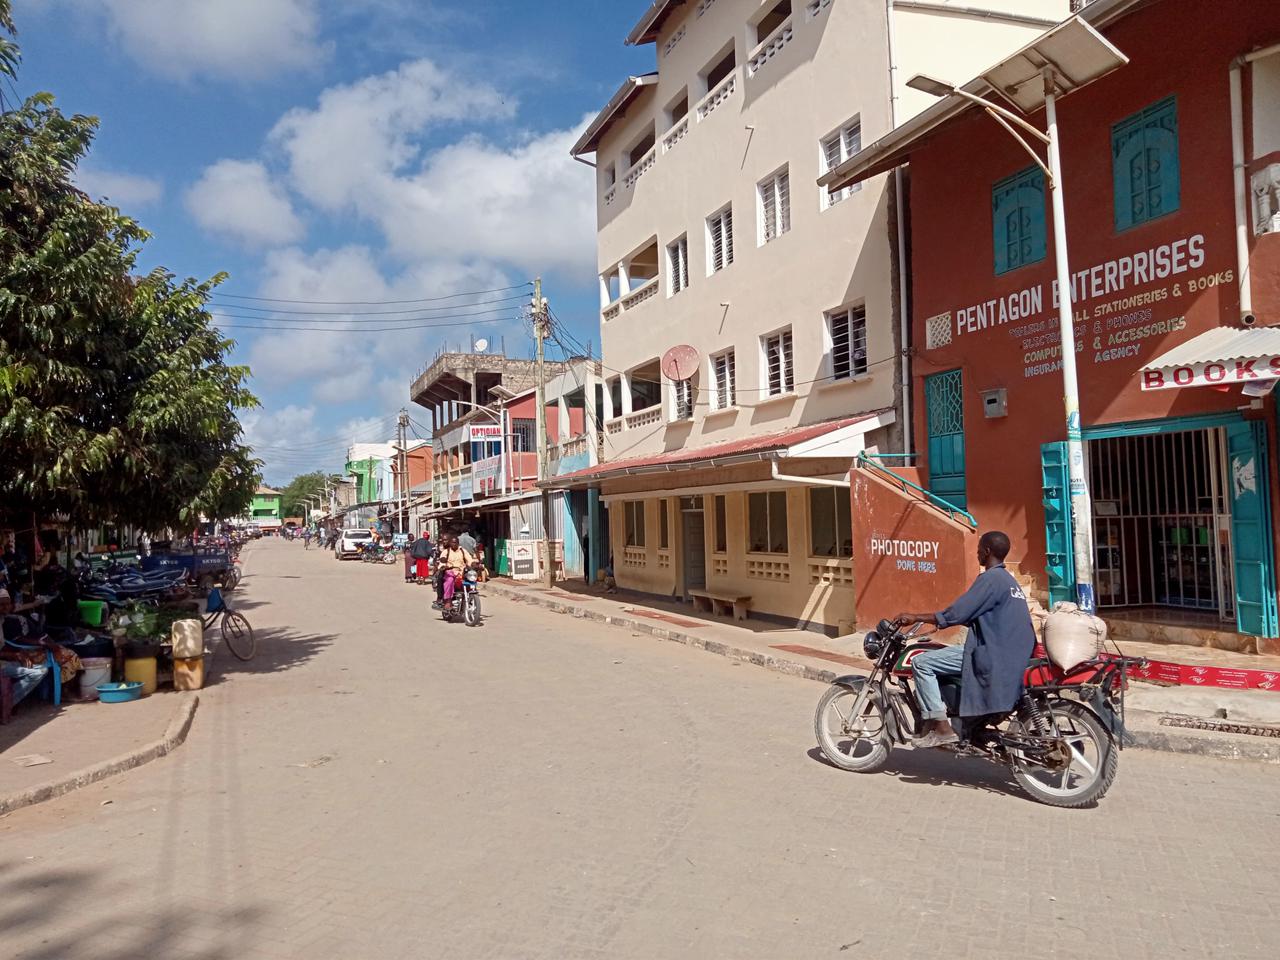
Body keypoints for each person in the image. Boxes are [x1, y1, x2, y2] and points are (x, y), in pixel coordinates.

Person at [893, 531, 1036, 749]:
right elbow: (980, 616)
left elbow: (957, 613)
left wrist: (915, 616)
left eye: (979, 548)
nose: (977, 552)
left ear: (987, 551)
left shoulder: (990, 579)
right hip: (1010, 652)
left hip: (992, 653)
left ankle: (941, 728)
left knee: (921, 662)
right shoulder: (1008, 580)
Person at [439, 536, 474, 609]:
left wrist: (475, 564)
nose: (453, 544)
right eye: (452, 542)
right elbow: (442, 562)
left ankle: (470, 598)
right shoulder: (446, 551)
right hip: (449, 573)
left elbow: (470, 560)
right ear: (450, 543)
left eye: (455, 543)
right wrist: (443, 566)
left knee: (470, 580)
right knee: (450, 580)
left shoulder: (463, 551)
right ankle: (448, 600)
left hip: (461, 573)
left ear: (458, 543)